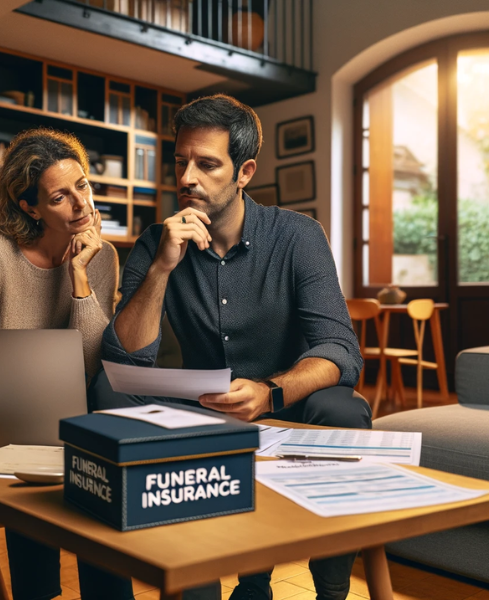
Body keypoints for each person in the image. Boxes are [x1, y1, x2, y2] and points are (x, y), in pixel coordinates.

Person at [97, 95, 372, 600]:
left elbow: (340, 348)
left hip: (284, 397)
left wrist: (270, 391)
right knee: (109, 393)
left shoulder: (298, 236)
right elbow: (125, 361)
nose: (187, 178)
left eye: (206, 164)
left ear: (244, 171)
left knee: (344, 409)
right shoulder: (155, 242)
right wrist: (161, 267)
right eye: (180, 162)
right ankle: (196, 583)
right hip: (207, 404)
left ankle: (331, 589)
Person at [0, 128, 134, 600]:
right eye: (60, 196)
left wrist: (80, 279)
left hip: (77, 413)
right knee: (35, 469)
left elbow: (94, 366)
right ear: (31, 207)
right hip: (8, 416)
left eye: (83, 186)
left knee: (100, 465)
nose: (81, 204)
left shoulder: (102, 256)